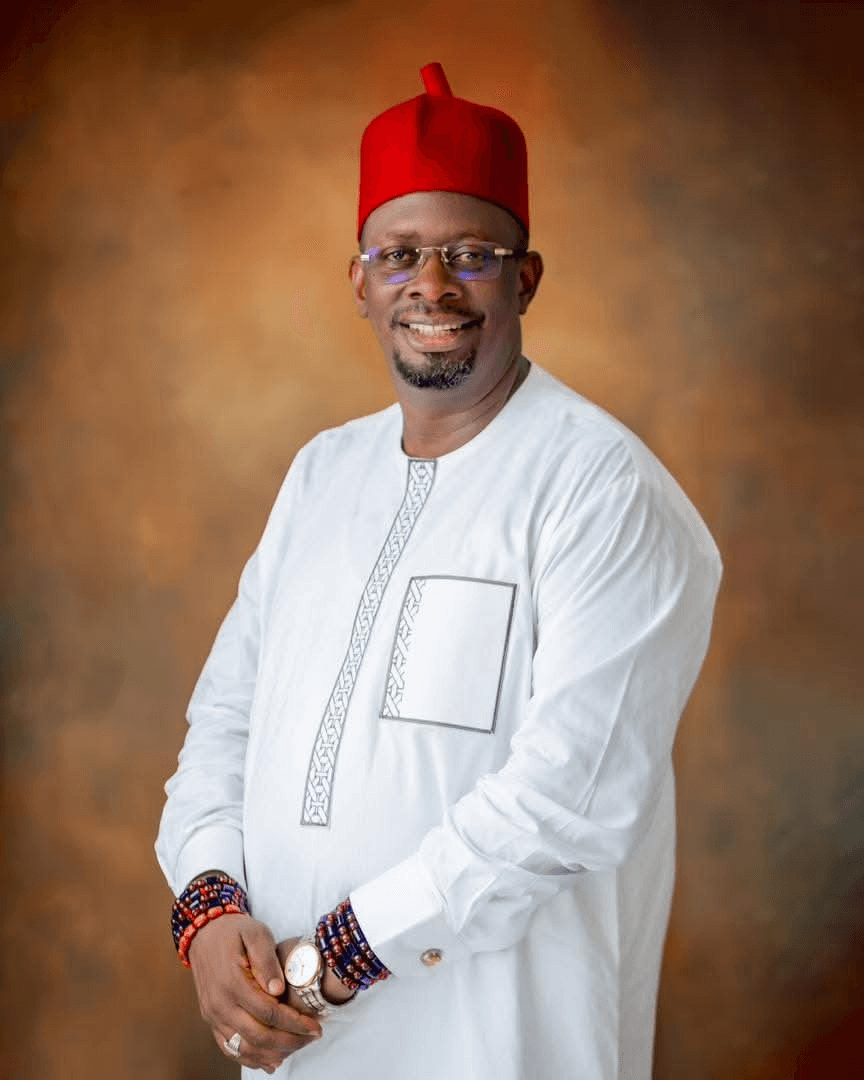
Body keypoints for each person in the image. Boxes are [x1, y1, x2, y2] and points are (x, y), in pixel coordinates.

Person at [156, 62, 722, 1079]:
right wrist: (206, 906)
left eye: (471, 253)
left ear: (526, 279)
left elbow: (567, 803)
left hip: (496, 1043)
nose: (431, 285)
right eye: (400, 254)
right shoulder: (322, 475)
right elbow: (222, 728)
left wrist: (332, 960)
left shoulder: (602, 491)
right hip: (293, 1049)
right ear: (359, 283)